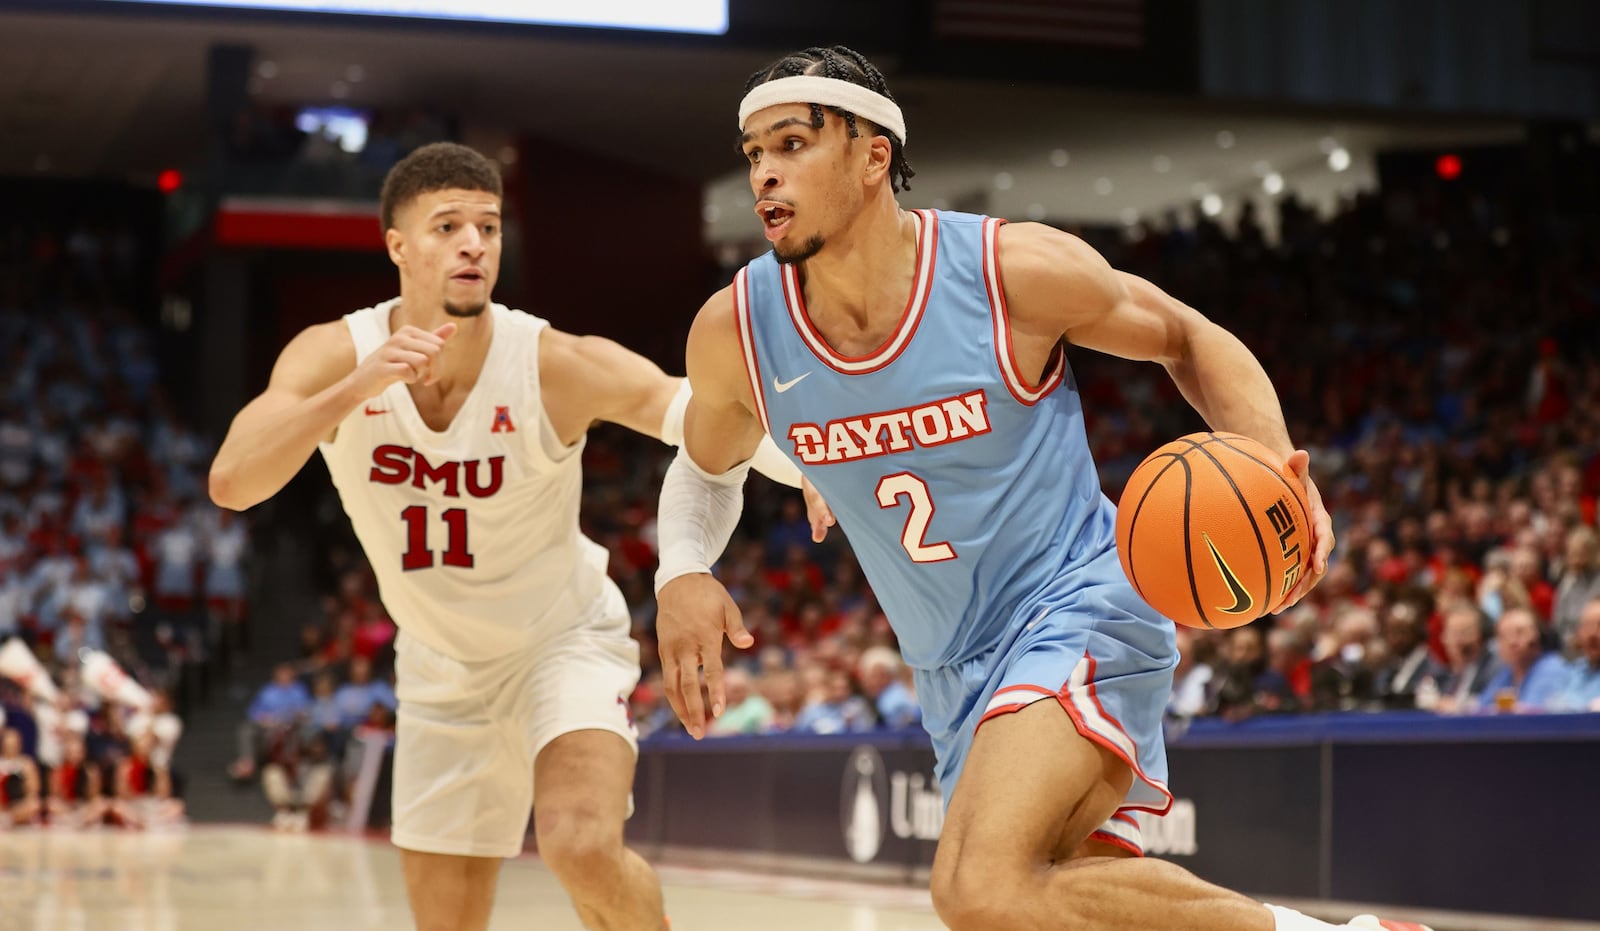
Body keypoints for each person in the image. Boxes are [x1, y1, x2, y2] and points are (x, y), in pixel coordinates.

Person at [653, 45, 1429, 931]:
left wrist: (1278, 467)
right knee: (1044, 896)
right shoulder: (737, 329)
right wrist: (680, 568)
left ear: (874, 157)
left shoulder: (1005, 271)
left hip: (1077, 602)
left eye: (790, 143)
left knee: (974, 888)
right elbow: (703, 468)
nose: (764, 173)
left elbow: (1187, 335)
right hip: (948, 665)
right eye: (754, 152)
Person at [208, 142, 802, 931]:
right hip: (438, 664)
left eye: (487, 226)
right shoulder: (335, 354)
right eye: (447, 225)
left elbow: (688, 406)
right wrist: (357, 388)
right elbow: (233, 482)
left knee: (579, 845)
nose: (473, 244)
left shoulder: (549, 361)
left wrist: (815, 468)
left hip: (561, 641)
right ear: (397, 246)